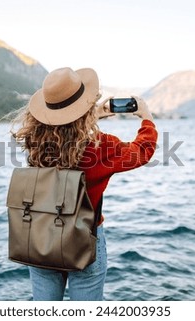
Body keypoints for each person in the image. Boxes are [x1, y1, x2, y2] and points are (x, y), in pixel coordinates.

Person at [11, 67, 158, 301]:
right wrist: (146, 117)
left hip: (40, 238)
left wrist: (91, 117)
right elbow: (143, 150)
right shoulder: (101, 147)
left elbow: (64, 135)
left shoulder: (35, 142)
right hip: (84, 241)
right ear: (85, 109)